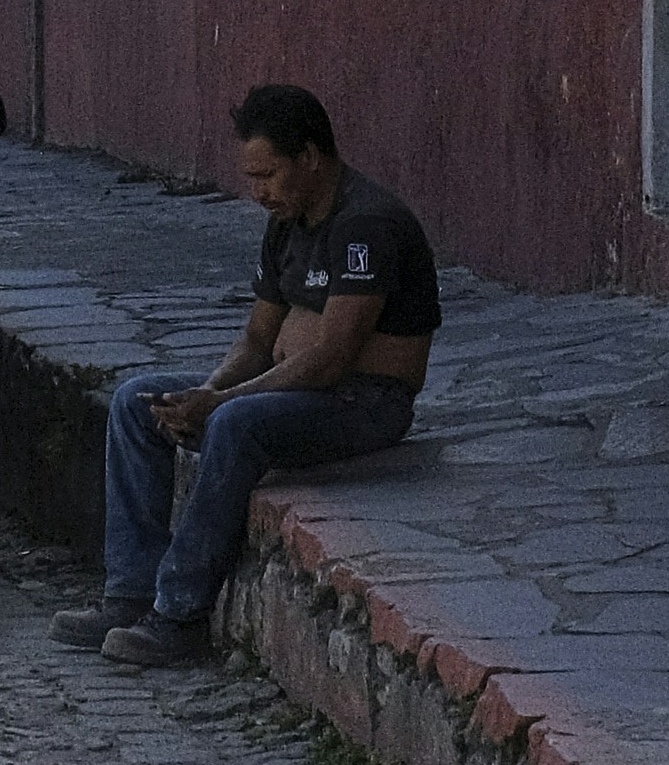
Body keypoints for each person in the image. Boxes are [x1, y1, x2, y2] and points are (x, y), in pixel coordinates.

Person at [73, 82, 436, 668]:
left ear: (310, 159)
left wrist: (221, 406)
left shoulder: (366, 224)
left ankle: (180, 613)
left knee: (238, 423)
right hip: (297, 390)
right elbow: (258, 340)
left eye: (267, 175)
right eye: (252, 178)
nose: (258, 192)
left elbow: (329, 360)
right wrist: (205, 393)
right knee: (135, 401)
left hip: (365, 403)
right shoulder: (286, 225)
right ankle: (130, 591)